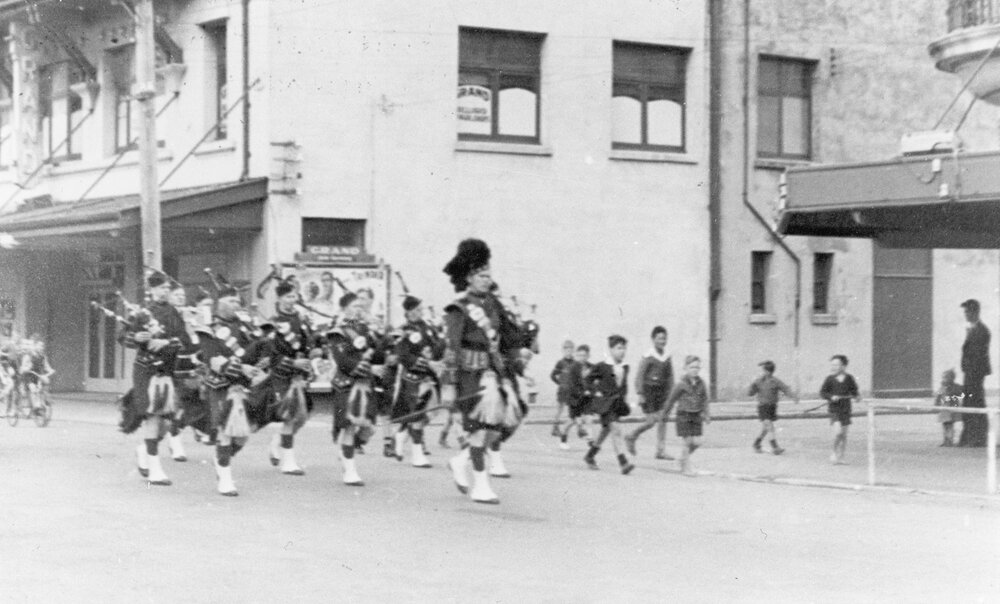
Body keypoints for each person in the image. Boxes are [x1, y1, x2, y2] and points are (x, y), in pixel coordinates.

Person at [441, 239, 527, 504]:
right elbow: (451, 349)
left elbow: (509, 337)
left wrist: (521, 350)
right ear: (469, 277)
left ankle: (460, 460)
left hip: (494, 373)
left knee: (499, 427)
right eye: (482, 275)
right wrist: (449, 386)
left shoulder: (494, 304)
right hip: (469, 375)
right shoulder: (459, 308)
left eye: (489, 274)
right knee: (480, 429)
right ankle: (481, 484)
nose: (487, 279)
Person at [121, 274, 191, 486]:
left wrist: (166, 342)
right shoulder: (142, 313)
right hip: (146, 371)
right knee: (153, 416)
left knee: (166, 423)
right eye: (160, 288)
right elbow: (122, 336)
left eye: (166, 287)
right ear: (151, 290)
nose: (164, 291)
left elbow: (184, 340)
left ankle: (144, 450)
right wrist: (136, 338)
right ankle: (155, 468)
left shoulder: (174, 313)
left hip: (167, 372)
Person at [328, 292, 385, 486]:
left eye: (361, 306)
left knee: (369, 428)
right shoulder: (337, 332)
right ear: (344, 309)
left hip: (365, 384)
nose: (359, 310)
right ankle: (350, 470)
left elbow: (378, 353)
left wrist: (379, 334)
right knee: (350, 426)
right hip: (347, 383)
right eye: (354, 306)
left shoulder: (364, 329)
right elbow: (343, 361)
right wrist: (370, 367)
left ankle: (346, 452)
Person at [263, 280, 315, 475]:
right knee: (291, 416)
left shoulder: (302, 318)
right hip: (282, 375)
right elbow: (271, 354)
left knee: (302, 416)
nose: (292, 300)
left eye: (294, 296)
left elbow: (309, 343)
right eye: (288, 297)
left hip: (300, 375)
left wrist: (314, 349)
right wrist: (292, 363)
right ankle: (288, 462)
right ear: (279, 298)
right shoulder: (274, 322)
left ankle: (277, 441)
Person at [391, 294, 444, 468]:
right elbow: (403, 355)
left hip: (429, 378)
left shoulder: (427, 327)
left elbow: (436, 348)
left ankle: (400, 436)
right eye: (418, 309)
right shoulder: (402, 330)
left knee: (429, 413)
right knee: (417, 416)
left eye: (421, 309)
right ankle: (417, 454)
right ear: (409, 312)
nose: (421, 312)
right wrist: (425, 362)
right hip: (413, 378)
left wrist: (441, 342)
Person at [582, 335, 635, 475]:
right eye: (618, 348)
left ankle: (590, 455)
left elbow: (623, 386)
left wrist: (625, 400)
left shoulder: (625, 367)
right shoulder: (602, 366)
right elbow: (587, 380)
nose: (622, 351)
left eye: (624, 348)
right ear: (611, 349)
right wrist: (595, 392)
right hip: (605, 404)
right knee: (616, 430)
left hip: (616, 404)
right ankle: (623, 463)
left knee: (605, 431)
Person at [624, 326, 675, 460]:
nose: (662, 341)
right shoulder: (648, 356)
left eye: (664, 338)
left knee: (663, 419)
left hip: (662, 392)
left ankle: (660, 451)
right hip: (649, 391)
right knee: (651, 421)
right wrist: (640, 393)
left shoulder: (667, 356)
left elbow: (670, 376)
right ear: (653, 340)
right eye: (659, 338)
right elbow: (639, 376)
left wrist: (672, 394)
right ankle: (632, 436)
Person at [666, 355, 709, 476]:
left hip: (696, 415)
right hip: (683, 415)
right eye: (691, 367)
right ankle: (686, 468)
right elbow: (671, 400)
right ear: (685, 368)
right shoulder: (681, 384)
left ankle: (682, 459)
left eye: (697, 367)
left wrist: (707, 414)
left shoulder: (701, 383)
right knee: (687, 441)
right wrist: (665, 414)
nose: (694, 369)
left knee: (698, 441)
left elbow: (705, 399)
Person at [958, 299, 991, 447]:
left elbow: (977, 355)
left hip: (975, 374)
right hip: (971, 373)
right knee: (972, 403)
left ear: (974, 312)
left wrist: (971, 372)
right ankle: (972, 437)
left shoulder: (981, 330)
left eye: (967, 312)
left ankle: (976, 438)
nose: (965, 315)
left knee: (974, 403)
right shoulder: (974, 329)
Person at [748, 360, 795, 455]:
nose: (764, 373)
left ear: (770, 371)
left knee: (766, 428)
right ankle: (775, 447)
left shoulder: (775, 381)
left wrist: (793, 396)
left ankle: (756, 443)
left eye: (766, 371)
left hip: (772, 407)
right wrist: (752, 386)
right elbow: (750, 393)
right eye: (764, 371)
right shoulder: (759, 381)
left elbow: (785, 388)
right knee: (769, 425)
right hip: (762, 407)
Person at [819, 354, 859, 465]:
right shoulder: (829, 379)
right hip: (834, 409)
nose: (834, 367)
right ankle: (833, 452)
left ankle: (841, 457)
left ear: (843, 366)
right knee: (838, 433)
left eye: (836, 365)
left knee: (844, 435)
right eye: (832, 365)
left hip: (846, 409)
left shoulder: (849, 378)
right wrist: (831, 397)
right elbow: (822, 393)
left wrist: (857, 397)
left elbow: (854, 391)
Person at [557, 344, 594, 450]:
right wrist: (582, 392)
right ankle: (563, 438)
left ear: (588, 356)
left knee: (589, 419)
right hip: (574, 398)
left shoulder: (591, 367)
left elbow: (595, 381)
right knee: (572, 421)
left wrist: (592, 391)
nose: (582, 358)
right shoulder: (573, 368)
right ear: (577, 356)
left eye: (584, 355)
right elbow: (571, 384)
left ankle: (591, 443)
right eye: (579, 355)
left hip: (587, 399)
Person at [19, 335, 54, 415]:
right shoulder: (28, 356)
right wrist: (27, 368)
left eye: (42, 346)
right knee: (33, 389)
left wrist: (50, 370)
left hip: (39, 375)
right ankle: (36, 408)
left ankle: (46, 397)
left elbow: (46, 366)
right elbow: (22, 369)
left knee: (46, 380)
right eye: (39, 345)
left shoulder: (43, 356)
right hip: (29, 376)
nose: (41, 347)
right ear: (35, 346)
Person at [549, 340, 576, 436]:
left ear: (573, 350)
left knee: (574, 410)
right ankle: (555, 428)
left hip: (572, 391)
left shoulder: (575, 363)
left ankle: (578, 429)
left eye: (570, 349)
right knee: (560, 409)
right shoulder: (560, 363)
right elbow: (552, 375)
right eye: (566, 350)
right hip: (563, 390)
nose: (568, 352)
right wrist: (560, 383)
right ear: (563, 351)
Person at [934, 369, 963, 447]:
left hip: (951, 409)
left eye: (946, 378)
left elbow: (960, 393)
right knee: (945, 425)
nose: (944, 380)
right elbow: (938, 395)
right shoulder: (942, 387)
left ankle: (950, 440)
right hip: (944, 409)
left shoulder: (954, 387)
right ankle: (946, 440)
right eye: (943, 378)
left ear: (951, 378)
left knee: (950, 425)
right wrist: (936, 404)